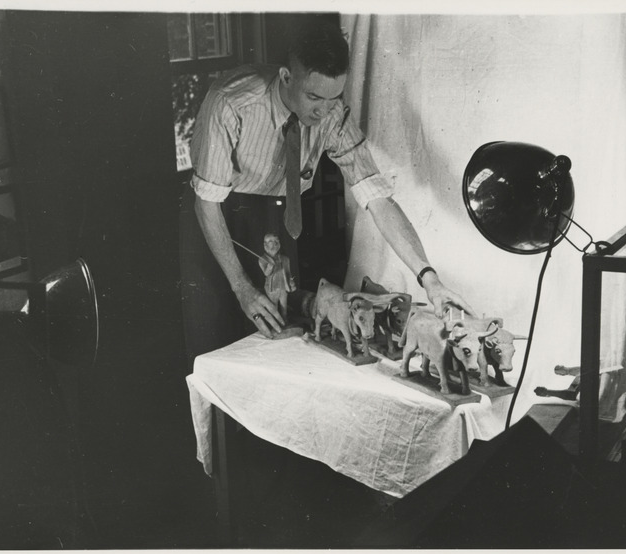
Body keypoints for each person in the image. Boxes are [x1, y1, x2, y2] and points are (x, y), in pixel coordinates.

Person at [181, 17, 475, 363]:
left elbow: (378, 198)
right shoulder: (231, 103)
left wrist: (430, 279)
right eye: (314, 97)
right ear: (287, 77)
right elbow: (206, 205)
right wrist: (242, 286)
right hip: (218, 222)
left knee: (280, 345)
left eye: (333, 98)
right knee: (221, 349)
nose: (323, 111)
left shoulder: (331, 112)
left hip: (277, 220)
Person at [258, 232, 295, 322]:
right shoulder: (262, 259)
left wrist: (291, 282)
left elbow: (288, 273)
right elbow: (266, 274)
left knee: (284, 309)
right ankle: (275, 326)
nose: (275, 244)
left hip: (283, 287)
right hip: (272, 289)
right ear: (265, 244)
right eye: (271, 241)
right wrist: (269, 267)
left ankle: (284, 323)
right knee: (273, 309)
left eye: (277, 241)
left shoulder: (285, 259)